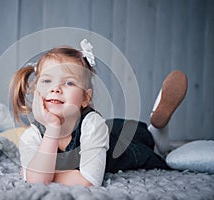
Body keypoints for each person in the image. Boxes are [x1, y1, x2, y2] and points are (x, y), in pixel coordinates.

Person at [10, 39, 188, 187]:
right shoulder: (32, 136)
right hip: (106, 131)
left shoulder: (93, 125)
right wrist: (52, 129)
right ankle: (157, 126)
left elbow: (89, 181)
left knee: (154, 143)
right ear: (36, 91)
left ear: (85, 98)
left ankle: (158, 127)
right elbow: (37, 180)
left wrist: (47, 174)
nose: (55, 88)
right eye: (47, 80)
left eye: (69, 83)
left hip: (124, 143)